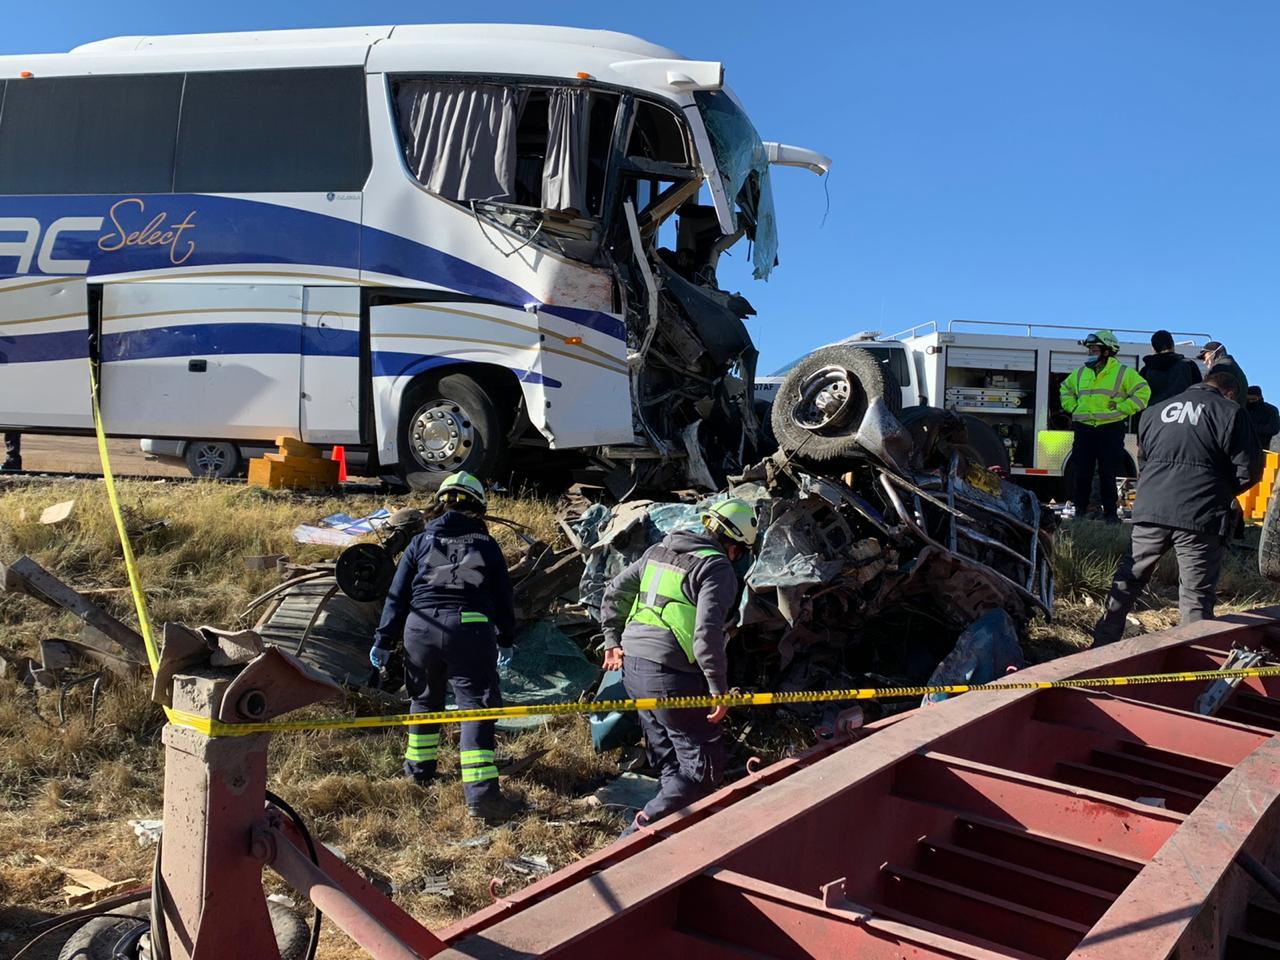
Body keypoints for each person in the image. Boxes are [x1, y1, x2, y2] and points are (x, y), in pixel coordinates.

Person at [369, 471, 522, 823]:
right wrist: (507, 637)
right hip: (469, 629)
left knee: (423, 701)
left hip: (421, 629)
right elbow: (503, 597)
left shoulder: (419, 543)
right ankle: (482, 798)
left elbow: (396, 596)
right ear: (478, 508)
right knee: (475, 709)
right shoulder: (485, 545)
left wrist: (383, 639)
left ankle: (418, 774)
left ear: (439, 504)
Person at [600, 498, 759, 836]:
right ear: (735, 547)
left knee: (670, 760)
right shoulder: (716, 568)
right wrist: (719, 689)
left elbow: (615, 589)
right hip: (669, 676)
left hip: (634, 669)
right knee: (701, 770)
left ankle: (670, 831)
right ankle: (638, 834)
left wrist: (612, 639)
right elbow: (706, 636)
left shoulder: (659, 551)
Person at [1093, 371, 1262, 645]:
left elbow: (1144, 462)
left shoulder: (1155, 411)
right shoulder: (1231, 412)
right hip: (1200, 515)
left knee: (1127, 581)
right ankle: (1193, 664)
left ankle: (1100, 644)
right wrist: (1219, 491)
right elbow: (1248, 470)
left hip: (1151, 509)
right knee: (1195, 597)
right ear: (1230, 393)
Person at [1060, 330, 1151, 522]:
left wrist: (1121, 408)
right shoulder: (1080, 373)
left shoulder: (1123, 373)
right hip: (1084, 429)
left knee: (1107, 474)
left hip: (1110, 429)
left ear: (1107, 351)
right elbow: (1065, 389)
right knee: (1082, 473)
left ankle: (1110, 514)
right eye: (1090, 350)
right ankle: (1080, 513)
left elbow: (1143, 392)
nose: (1090, 353)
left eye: (1094, 350)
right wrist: (1073, 407)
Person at [1138, 329, 1201, 410]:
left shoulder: (1145, 371)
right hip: (1182, 416)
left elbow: (1140, 399)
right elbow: (1198, 394)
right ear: (1172, 344)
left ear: (1153, 348)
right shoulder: (1189, 365)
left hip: (1153, 417)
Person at [1197, 341, 1249, 410]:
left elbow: (1208, 393)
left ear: (1214, 354)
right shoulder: (1233, 365)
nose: (1204, 362)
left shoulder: (1220, 368)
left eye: (1205, 357)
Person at [1247, 386, 1280, 451]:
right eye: (1248, 400)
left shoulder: (1270, 410)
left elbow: (1274, 428)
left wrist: (1252, 428)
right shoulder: (1243, 408)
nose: (1250, 402)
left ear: (1260, 397)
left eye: (1253, 399)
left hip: (1261, 448)